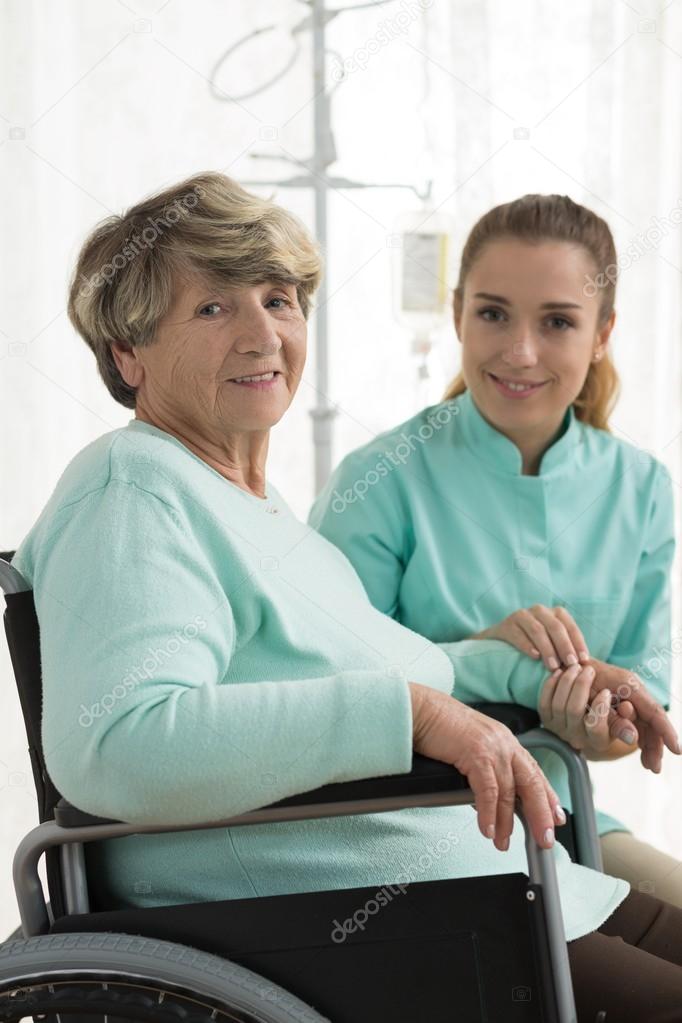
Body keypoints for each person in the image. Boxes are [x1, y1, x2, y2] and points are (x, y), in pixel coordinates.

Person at [10, 175, 682, 1020]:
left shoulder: (255, 507)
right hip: (355, 915)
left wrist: (540, 676)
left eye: (279, 299)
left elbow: (415, 663)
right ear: (127, 353)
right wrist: (414, 715)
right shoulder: (133, 486)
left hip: (476, 878)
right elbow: (117, 742)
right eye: (214, 309)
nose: (264, 335)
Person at [308, 193, 682, 905]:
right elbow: (325, 690)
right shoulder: (381, 480)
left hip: (569, 821)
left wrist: (591, 725)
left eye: (558, 322)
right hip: (404, 832)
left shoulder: (643, 488)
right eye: (493, 313)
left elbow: (639, 710)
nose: (520, 351)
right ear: (457, 316)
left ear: (602, 332)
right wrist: (490, 658)